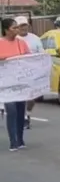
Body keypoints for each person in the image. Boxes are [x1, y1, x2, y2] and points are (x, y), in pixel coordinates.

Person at [0, 18, 31, 151]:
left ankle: (20, 139)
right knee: (11, 110)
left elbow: (29, 59)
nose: (17, 30)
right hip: (6, 83)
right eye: (14, 28)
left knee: (20, 110)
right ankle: (13, 141)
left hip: (20, 82)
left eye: (17, 27)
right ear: (6, 30)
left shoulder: (21, 43)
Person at [14, 16, 44, 129]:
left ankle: (27, 114)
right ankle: (22, 118)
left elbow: (41, 54)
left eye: (25, 25)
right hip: (17, 73)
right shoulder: (13, 39)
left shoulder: (35, 38)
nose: (23, 28)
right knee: (20, 97)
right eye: (21, 26)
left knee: (31, 97)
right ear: (16, 27)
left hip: (32, 72)